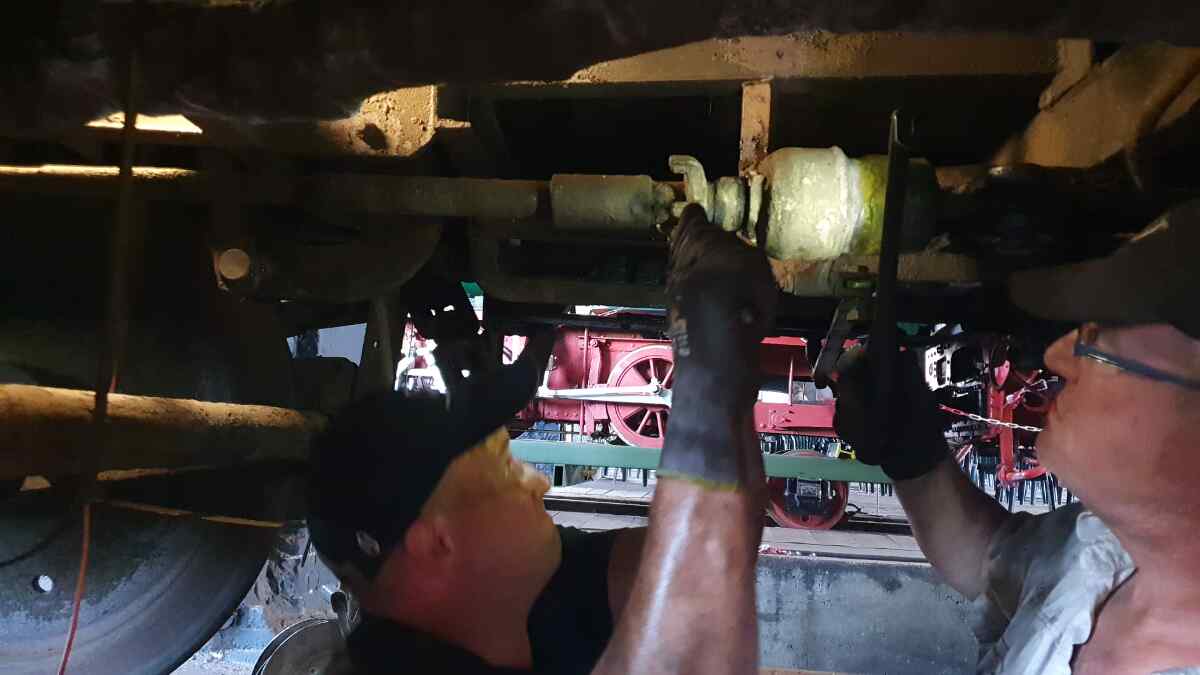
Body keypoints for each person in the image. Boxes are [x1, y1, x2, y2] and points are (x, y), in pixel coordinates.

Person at [306, 203, 775, 674]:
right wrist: (707, 354)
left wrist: (725, 360)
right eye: (505, 474)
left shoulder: (516, 583)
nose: (540, 483)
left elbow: (715, 556)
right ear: (435, 542)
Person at [834, 199, 1200, 674]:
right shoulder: (1104, 554)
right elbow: (987, 560)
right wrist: (912, 451)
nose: (1057, 357)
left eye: (1097, 342)